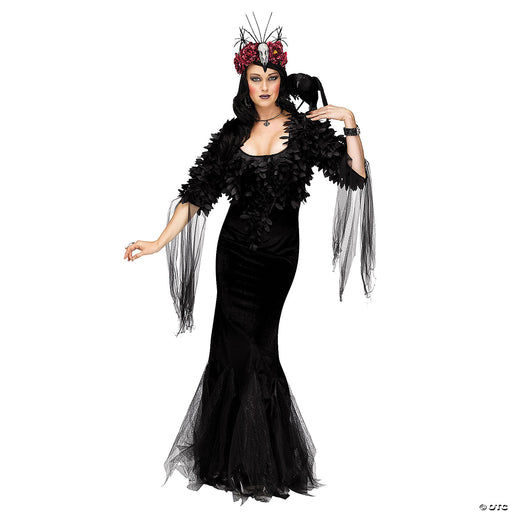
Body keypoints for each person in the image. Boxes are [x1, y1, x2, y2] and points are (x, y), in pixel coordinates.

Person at [123, 13, 376, 504]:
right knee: (230, 346)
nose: (263, 86)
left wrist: (349, 121)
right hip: (234, 252)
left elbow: (355, 176)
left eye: (271, 77)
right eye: (255, 77)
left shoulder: (303, 131)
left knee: (260, 346)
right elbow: (197, 194)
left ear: (282, 80)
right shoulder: (231, 133)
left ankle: (264, 463)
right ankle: (229, 460)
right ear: (245, 81)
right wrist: (158, 241)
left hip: (278, 257)